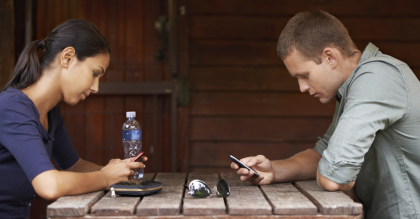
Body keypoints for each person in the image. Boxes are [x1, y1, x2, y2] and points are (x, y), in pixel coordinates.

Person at [231, 11, 420, 219]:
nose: (302, 87)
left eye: (304, 75)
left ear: (330, 57)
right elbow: (323, 155)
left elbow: (332, 178)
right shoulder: (352, 86)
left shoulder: (376, 78)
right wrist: (274, 170)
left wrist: (337, 177)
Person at [0, 19, 147, 219]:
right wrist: (105, 177)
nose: (96, 87)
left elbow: (73, 165)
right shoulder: (12, 107)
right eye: (95, 73)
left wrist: (119, 171)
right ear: (67, 57)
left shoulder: (51, 114)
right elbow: (49, 185)